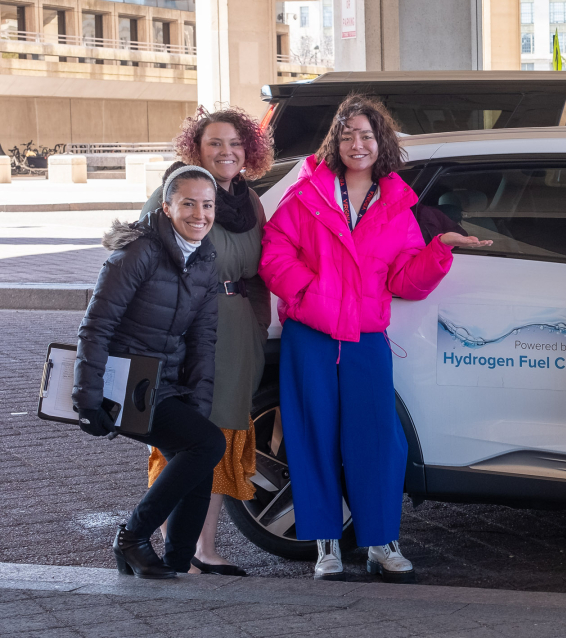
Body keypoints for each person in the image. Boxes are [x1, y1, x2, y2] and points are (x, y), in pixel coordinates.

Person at [259, 94, 490, 582]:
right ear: (336, 143)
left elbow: (405, 280)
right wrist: (308, 293)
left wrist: (439, 251)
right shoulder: (305, 194)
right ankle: (325, 544)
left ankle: (381, 542)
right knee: (312, 438)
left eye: (366, 135)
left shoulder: (398, 204)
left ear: (380, 142)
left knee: (380, 442)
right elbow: (275, 251)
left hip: (365, 339)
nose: (357, 144)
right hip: (312, 336)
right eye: (347, 136)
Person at [140, 108, 274, 576]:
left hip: (238, 332)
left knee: (221, 438)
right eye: (215, 143)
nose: (226, 152)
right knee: (185, 438)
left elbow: (259, 273)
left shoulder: (249, 201)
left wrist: (257, 326)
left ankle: (205, 547)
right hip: (189, 329)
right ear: (196, 148)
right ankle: (160, 538)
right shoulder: (177, 192)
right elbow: (144, 263)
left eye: (236, 144)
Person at [75, 166, 226, 578]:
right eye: (188, 203)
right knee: (207, 445)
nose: (200, 214)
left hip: (166, 384)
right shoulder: (139, 252)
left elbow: (203, 341)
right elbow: (96, 325)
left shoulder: (205, 260)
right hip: (123, 383)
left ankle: (175, 564)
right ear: (167, 206)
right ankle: (132, 535)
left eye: (207, 205)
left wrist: (197, 405)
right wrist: (87, 399)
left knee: (199, 451)